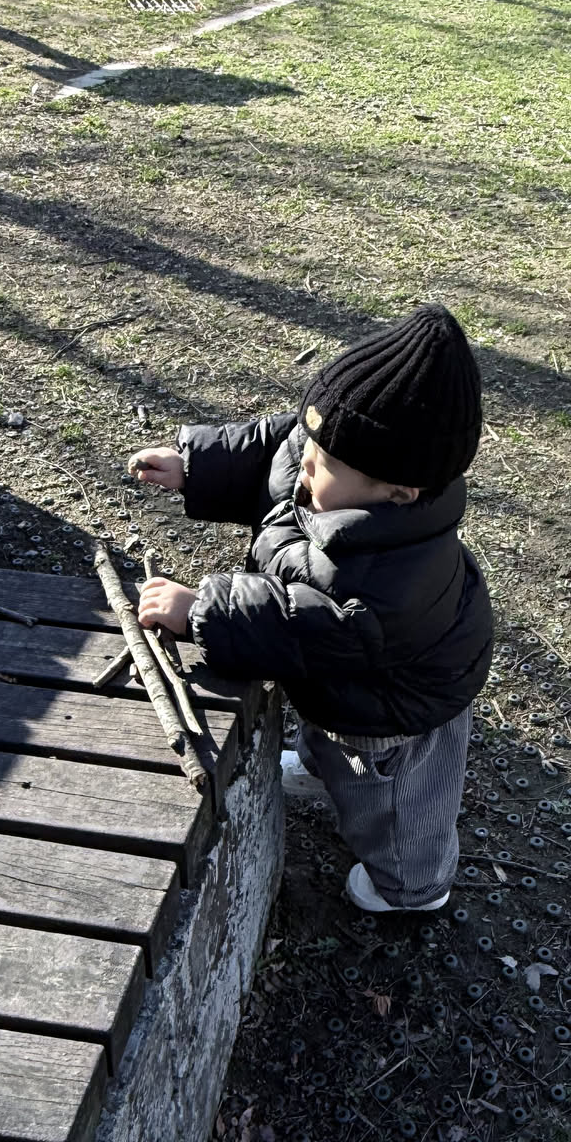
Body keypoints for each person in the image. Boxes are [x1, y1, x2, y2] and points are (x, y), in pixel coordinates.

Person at [128, 304, 493, 913]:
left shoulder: (387, 586)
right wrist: (198, 467)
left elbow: (298, 626)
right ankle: (325, 765)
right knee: (327, 727)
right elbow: (277, 450)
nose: (304, 465)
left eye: (321, 464)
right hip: (342, 682)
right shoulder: (333, 460)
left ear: (398, 494)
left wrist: (203, 610)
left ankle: (414, 886)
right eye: (312, 443)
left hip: (394, 710)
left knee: (395, 799)